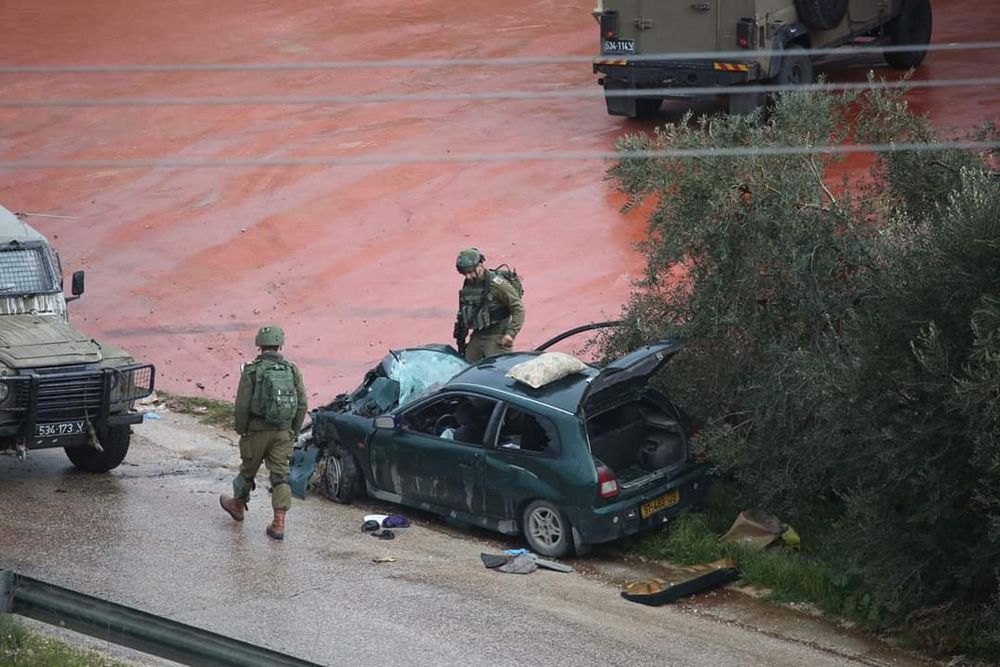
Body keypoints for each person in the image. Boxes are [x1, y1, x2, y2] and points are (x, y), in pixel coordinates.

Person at [220, 325, 307, 540]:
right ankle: (279, 523)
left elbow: (241, 405)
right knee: (281, 477)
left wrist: (242, 430)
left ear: (259, 345)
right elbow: (302, 404)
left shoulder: (251, 370)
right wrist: (293, 431)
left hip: (257, 431)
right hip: (283, 432)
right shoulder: (292, 370)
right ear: (280, 344)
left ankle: (238, 505)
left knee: (247, 472)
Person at [453, 248, 525, 362]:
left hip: (496, 336)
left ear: (480, 265)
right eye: (465, 273)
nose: (468, 276)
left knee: (498, 371)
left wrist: (511, 333)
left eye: (471, 272)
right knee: (466, 368)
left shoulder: (496, 284)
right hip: (478, 334)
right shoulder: (469, 284)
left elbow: (518, 308)